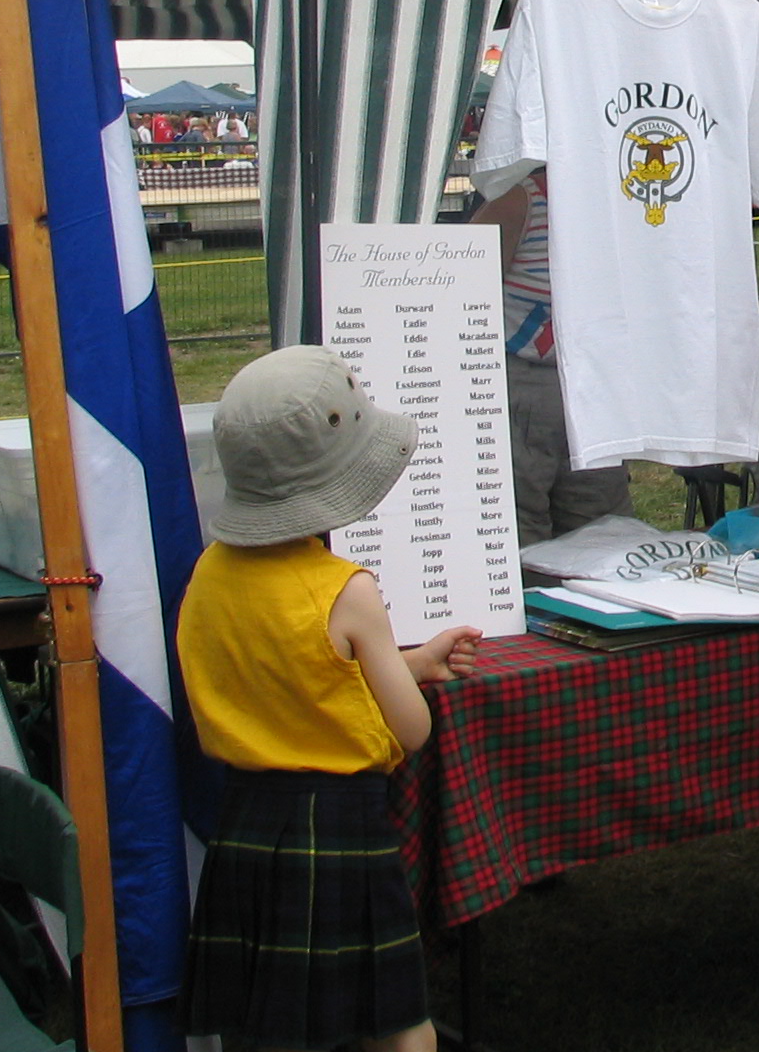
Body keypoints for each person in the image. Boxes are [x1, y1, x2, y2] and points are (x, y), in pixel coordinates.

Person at [177, 345, 481, 1052]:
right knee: (398, 1023)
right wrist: (406, 677)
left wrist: (412, 662)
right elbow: (410, 728)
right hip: (337, 823)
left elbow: (295, 677)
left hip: (247, 818)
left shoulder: (209, 574)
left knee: (269, 1018)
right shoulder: (346, 590)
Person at [480, 168, 634, 541]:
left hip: (596, 377)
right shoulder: (521, 199)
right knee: (518, 515)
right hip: (526, 378)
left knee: (600, 520)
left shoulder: (624, 199)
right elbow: (468, 285)